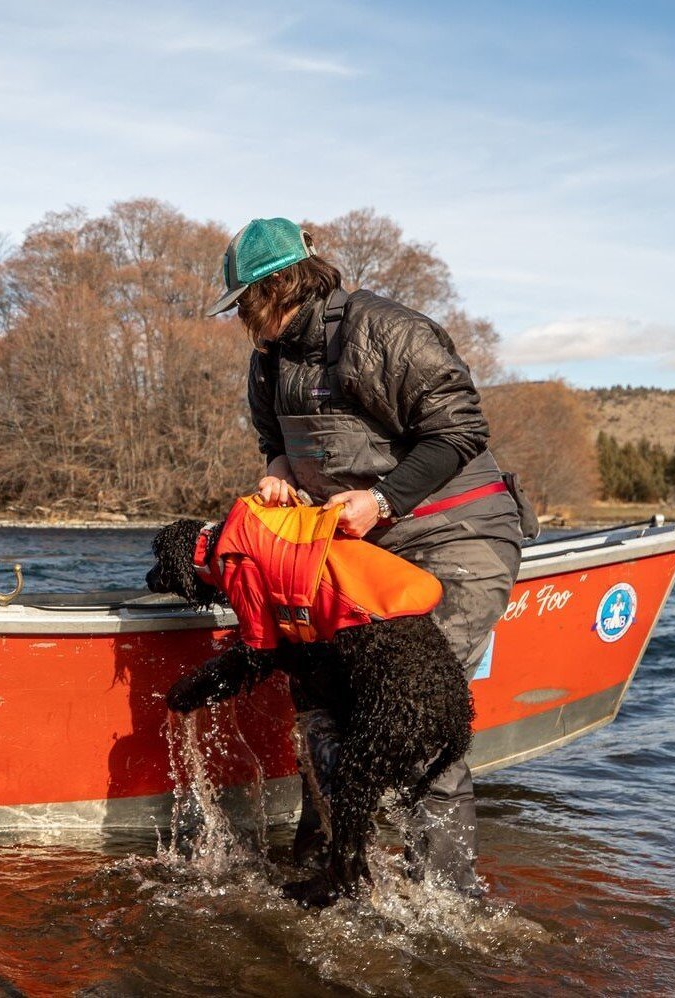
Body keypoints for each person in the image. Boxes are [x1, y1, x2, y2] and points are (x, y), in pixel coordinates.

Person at [206, 216, 523, 895]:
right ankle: (334, 876)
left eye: (244, 305)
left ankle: (444, 901)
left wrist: (382, 500)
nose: (240, 321)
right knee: (323, 710)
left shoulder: (388, 331)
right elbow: (274, 441)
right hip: (357, 557)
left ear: (278, 287)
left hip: (456, 537)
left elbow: (460, 431)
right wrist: (280, 470)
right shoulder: (269, 360)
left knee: (413, 714)